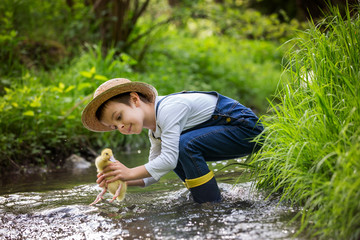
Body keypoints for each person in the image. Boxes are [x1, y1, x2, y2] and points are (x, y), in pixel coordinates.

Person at [82, 78, 263, 203]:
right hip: (229, 131)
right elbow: (154, 172)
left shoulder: (169, 109)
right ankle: (204, 201)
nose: (120, 126)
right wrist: (122, 179)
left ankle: (211, 205)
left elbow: (168, 159)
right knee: (177, 150)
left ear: (135, 99)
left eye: (119, 116)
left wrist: (129, 172)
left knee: (181, 147)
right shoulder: (154, 132)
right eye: (115, 126)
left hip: (245, 128)